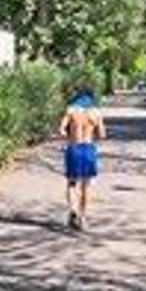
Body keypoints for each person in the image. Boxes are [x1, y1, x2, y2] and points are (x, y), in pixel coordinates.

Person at [58, 87, 106, 230]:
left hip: (74, 148)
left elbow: (61, 130)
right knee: (86, 186)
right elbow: (102, 135)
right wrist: (92, 132)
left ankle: (72, 211)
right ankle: (82, 217)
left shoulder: (71, 110)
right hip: (88, 149)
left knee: (72, 183)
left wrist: (70, 135)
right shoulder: (96, 112)